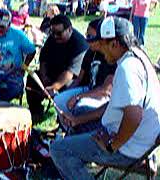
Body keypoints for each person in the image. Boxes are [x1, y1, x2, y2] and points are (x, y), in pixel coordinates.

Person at [50, 16, 160, 180]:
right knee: (80, 115)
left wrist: (111, 145)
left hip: (128, 147)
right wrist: (77, 119)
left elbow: (134, 115)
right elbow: (116, 105)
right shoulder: (138, 55)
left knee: (59, 149)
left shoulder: (127, 68)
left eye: (102, 45)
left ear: (114, 44)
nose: (99, 50)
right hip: (138, 138)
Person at [54, 18, 117, 134]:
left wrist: (78, 97)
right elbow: (79, 79)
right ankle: (68, 129)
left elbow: (105, 90)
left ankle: (79, 133)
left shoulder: (111, 56)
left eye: (91, 37)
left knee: (81, 107)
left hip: (104, 96)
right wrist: (66, 93)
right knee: (59, 100)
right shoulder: (91, 52)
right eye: (86, 35)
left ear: (101, 38)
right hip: (90, 88)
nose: (87, 40)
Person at [26, 14, 88, 122]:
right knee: (32, 79)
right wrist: (44, 78)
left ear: (69, 29)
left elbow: (70, 73)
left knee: (69, 86)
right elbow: (43, 60)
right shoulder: (52, 38)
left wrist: (54, 87)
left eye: (59, 33)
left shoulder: (79, 44)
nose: (55, 36)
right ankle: (35, 111)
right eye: (52, 33)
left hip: (69, 79)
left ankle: (63, 118)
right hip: (52, 73)